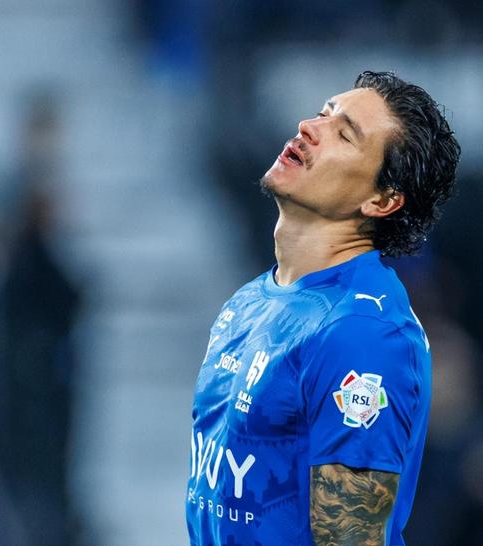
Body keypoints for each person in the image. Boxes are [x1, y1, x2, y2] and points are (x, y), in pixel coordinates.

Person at [186, 71, 460, 546]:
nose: (308, 127)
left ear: (381, 200)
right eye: (323, 113)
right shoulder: (249, 301)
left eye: (344, 134)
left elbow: (349, 536)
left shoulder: (362, 332)